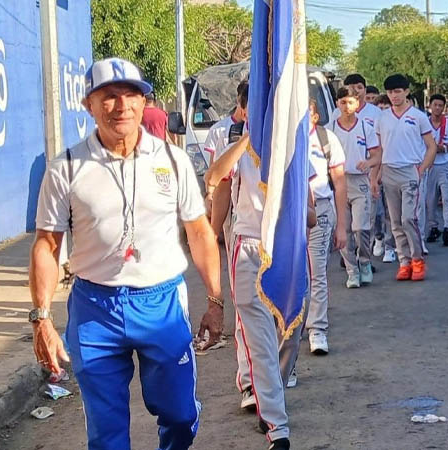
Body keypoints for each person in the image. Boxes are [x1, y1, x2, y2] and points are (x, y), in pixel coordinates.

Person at [30, 57, 224, 450]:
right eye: (110, 97)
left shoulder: (172, 159)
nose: (122, 106)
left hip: (161, 302)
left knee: (180, 414)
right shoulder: (65, 167)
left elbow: (200, 232)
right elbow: (47, 245)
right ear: (88, 104)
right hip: (95, 309)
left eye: (132, 95)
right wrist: (42, 319)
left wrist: (215, 300)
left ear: (144, 101)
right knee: (106, 433)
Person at [206, 123, 312, 450]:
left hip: (287, 247)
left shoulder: (294, 148)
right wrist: (247, 140)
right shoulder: (240, 150)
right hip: (249, 246)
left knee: (290, 330)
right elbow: (214, 179)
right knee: (260, 339)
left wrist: (296, 210)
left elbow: (310, 213)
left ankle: (271, 392)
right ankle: (277, 426)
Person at [205, 80, 255, 411]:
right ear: (242, 105)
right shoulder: (227, 133)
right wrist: (214, 231)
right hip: (242, 231)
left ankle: (277, 369)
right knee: (247, 310)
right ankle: (251, 381)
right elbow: (218, 183)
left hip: (278, 234)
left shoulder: (286, 135)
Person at [373, 74, 437, 281]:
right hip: (389, 171)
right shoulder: (382, 118)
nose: (394, 96)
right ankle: (404, 262)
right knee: (395, 221)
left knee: (409, 218)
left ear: (406, 92)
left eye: (398, 91)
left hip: (410, 170)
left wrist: (421, 169)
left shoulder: (418, 116)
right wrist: (375, 177)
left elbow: (431, 146)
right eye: (391, 92)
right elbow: (380, 150)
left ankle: (417, 260)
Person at [306, 99, 349, 352]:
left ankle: (317, 328)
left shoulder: (326, 139)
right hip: (290, 214)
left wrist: (341, 225)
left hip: (321, 209)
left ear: (315, 116)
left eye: (306, 113)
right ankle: (293, 324)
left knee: (317, 271)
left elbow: (339, 182)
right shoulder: (284, 139)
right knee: (294, 273)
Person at [330, 87, 381, 288]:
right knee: (345, 230)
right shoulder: (331, 129)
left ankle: (365, 263)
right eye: (343, 102)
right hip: (339, 182)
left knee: (361, 228)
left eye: (350, 102)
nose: (347, 106)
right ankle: (352, 271)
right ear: (337, 104)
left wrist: (368, 164)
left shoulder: (365, 127)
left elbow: (377, 154)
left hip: (359, 182)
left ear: (357, 104)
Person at [425, 94, 448, 247]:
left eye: (440, 105)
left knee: (446, 198)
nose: (437, 108)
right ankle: (433, 226)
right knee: (430, 199)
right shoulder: (424, 123)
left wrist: (444, 148)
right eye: (435, 105)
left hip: (444, 164)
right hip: (429, 165)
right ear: (430, 106)